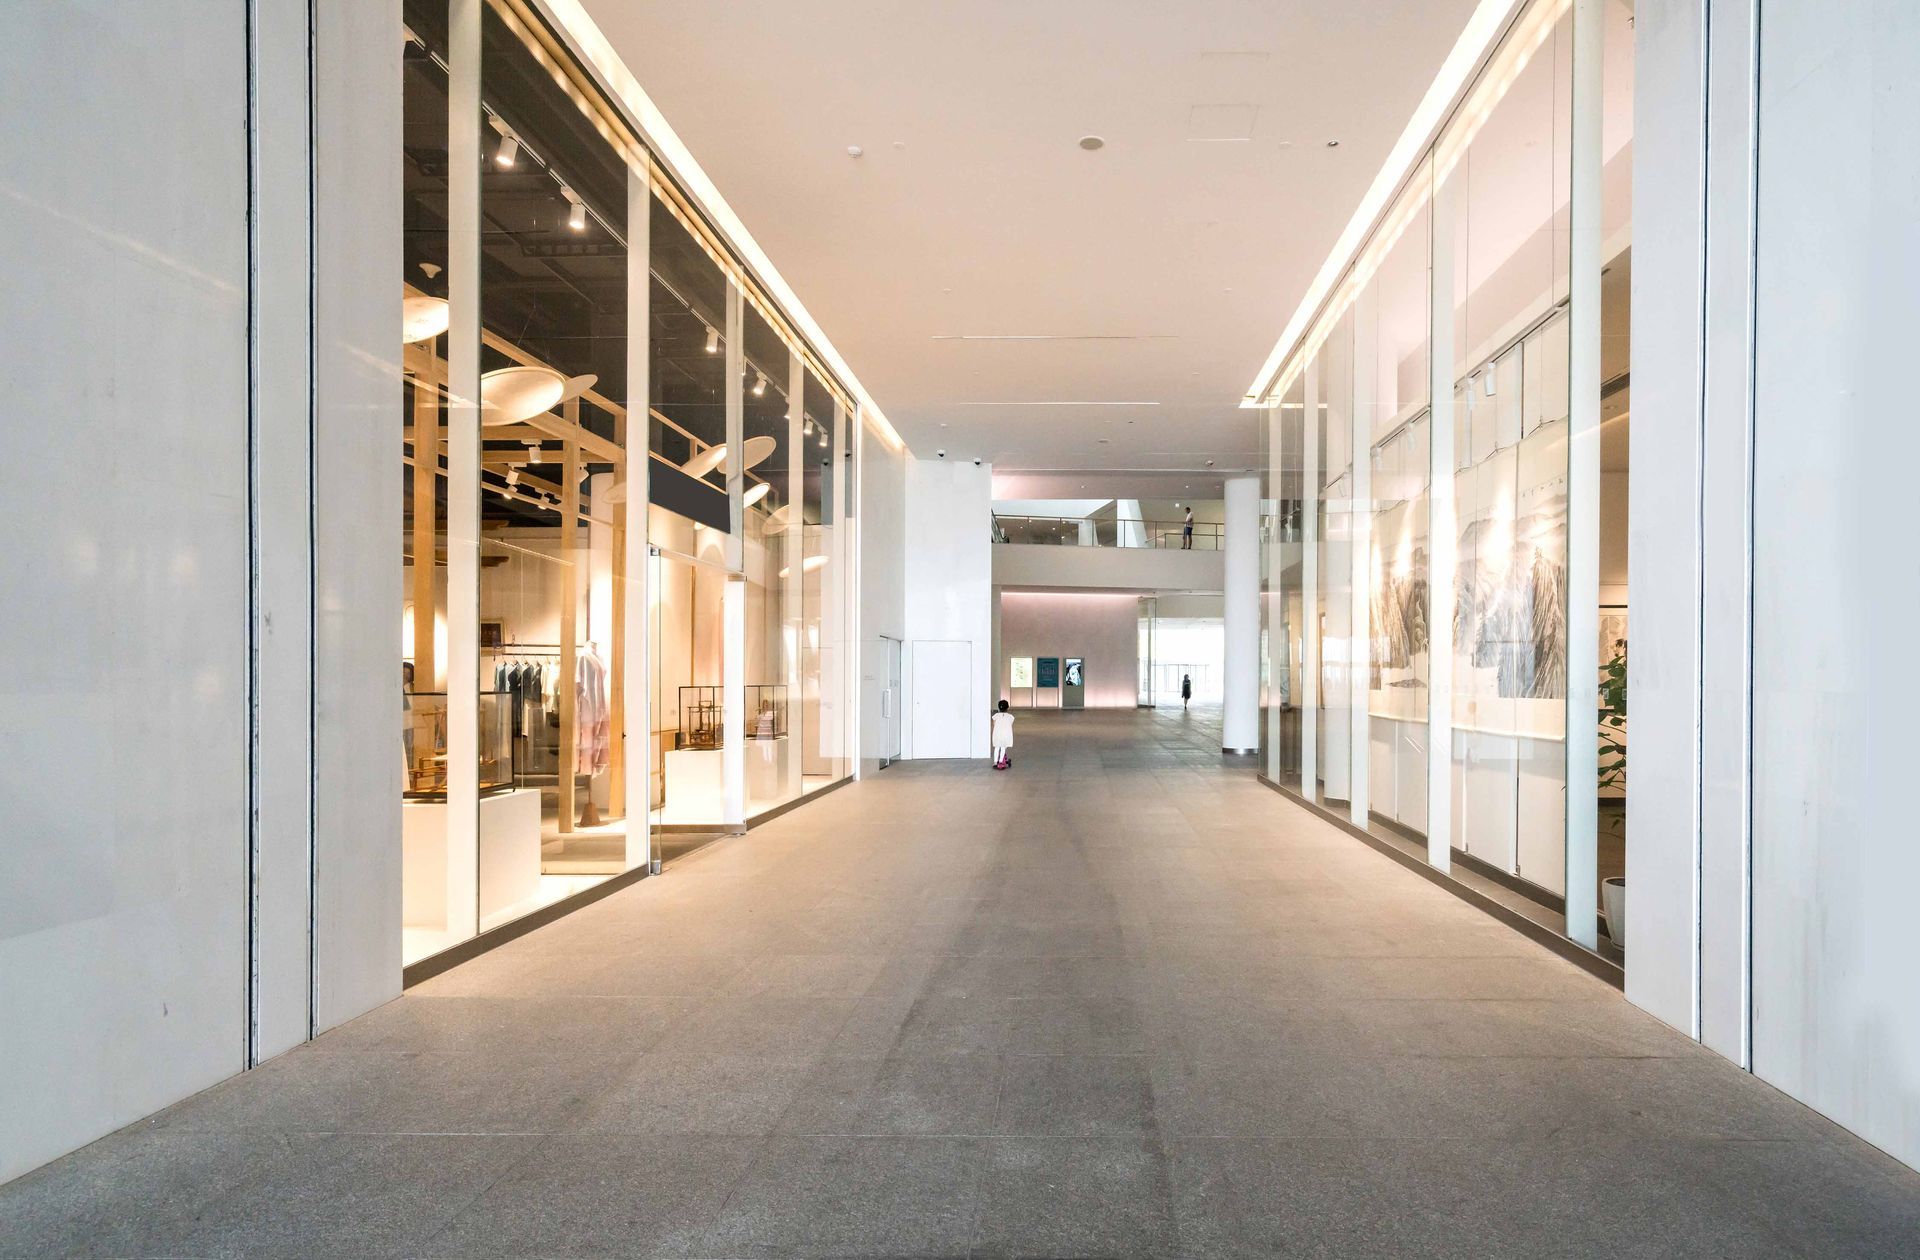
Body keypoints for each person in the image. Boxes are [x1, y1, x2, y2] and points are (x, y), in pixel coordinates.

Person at [991, 699, 1015, 770]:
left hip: (997, 734)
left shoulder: (995, 715)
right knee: (1003, 748)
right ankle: (1001, 762)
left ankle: (995, 762)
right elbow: (1010, 723)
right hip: (1006, 734)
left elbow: (994, 723)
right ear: (1007, 708)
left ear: (999, 707)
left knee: (997, 747)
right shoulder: (1010, 716)